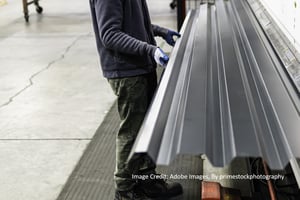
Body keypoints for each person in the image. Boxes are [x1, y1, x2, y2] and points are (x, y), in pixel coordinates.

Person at [89, 0, 183, 199]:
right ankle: (125, 189)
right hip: (127, 71)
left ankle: (146, 178)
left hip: (140, 65)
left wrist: (158, 31)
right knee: (132, 131)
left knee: (147, 128)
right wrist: (149, 49)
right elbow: (110, 35)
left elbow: (133, 24)